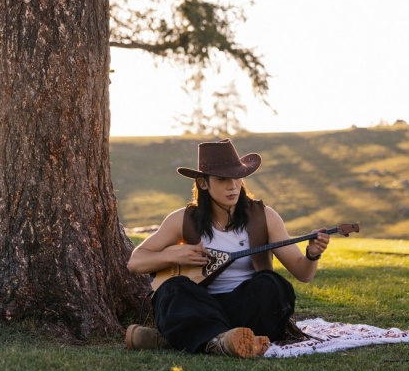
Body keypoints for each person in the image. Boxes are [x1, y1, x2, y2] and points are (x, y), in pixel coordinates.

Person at [125, 139, 330, 357]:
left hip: (246, 308)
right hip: (201, 305)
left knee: (272, 285)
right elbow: (136, 262)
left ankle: (187, 338)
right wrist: (175, 255)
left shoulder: (265, 217)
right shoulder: (182, 219)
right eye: (222, 179)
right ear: (204, 183)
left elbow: (303, 273)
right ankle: (222, 339)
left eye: (236, 177)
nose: (232, 186)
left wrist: (312, 254)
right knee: (173, 288)